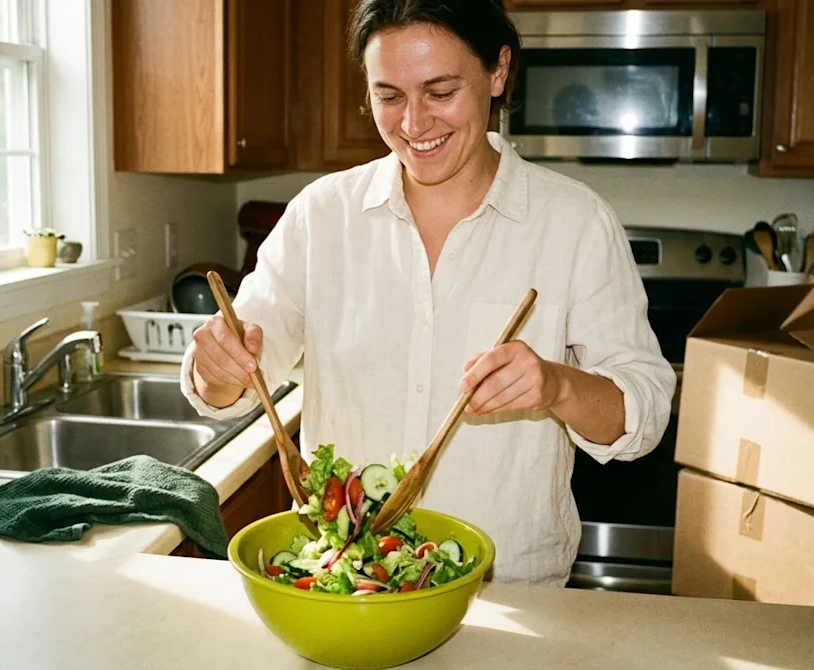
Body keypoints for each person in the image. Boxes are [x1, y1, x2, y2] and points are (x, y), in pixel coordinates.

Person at [181, 0, 675, 587]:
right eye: (389, 96)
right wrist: (218, 363)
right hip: (347, 589)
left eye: (440, 92)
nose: (414, 124)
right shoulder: (321, 216)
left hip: (510, 598)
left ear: (497, 72)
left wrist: (558, 385)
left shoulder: (575, 223)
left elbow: (642, 415)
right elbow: (234, 378)